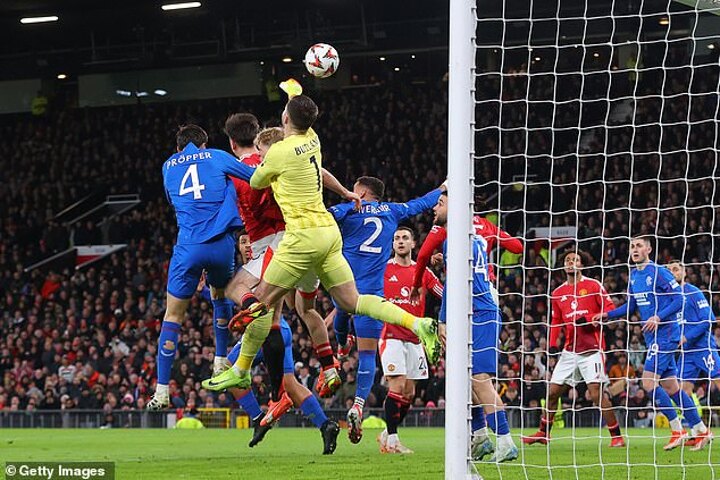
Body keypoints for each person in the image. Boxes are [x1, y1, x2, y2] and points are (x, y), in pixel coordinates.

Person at [201, 94, 439, 396]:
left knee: (258, 298)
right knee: (352, 302)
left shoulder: (278, 154)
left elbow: (257, 181)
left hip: (300, 238)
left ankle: (240, 371)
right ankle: (417, 324)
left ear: (286, 119)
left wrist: (261, 163)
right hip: (328, 233)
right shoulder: (312, 139)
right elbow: (318, 169)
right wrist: (344, 191)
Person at [223, 116, 352, 396]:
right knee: (306, 309)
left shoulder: (237, 171)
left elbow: (240, 207)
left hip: (280, 245)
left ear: (232, 143)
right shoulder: (288, 156)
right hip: (312, 237)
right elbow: (321, 173)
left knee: (260, 308)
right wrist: (344, 192)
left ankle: (272, 392)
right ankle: (329, 367)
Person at [327, 176, 444, 443]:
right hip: (372, 296)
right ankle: (358, 404)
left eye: (354, 190)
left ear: (363, 192)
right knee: (367, 356)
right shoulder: (392, 210)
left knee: (342, 315)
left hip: (345, 285)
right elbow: (421, 203)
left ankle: (342, 347)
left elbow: (324, 218)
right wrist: (444, 187)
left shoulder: (349, 208)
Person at [147, 124, 255, 410]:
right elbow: (255, 178)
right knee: (220, 296)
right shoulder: (217, 156)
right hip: (220, 245)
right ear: (204, 144)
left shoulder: (168, 166)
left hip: (188, 247)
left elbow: (174, 200)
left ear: (179, 147)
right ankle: (220, 361)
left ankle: (161, 391)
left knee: (173, 315)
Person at [218, 231, 340, 454]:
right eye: (242, 242)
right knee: (291, 386)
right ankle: (326, 425)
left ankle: (258, 418)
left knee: (226, 371)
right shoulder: (251, 271)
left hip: (267, 332)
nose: (247, 245)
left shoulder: (265, 265)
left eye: (249, 240)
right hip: (280, 331)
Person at [593, 236, 712, 451]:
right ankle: (702, 430)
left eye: (639, 245)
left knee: (648, 384)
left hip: (666, 335)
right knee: (672, 387)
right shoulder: (634, 275)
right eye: (632, 246)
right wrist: (607, 315)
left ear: (648, 249)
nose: (635, 249)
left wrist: (658, 316)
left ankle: (678, 430)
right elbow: (631, 306)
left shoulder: (658, 271)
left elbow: (678, 299)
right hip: (653, 338)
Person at [433, 191, 518, 463]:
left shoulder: (455, 240)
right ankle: (480, 437)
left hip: (480, 314)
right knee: (466, 381)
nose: (435, 207)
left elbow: (451, 286)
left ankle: (505, 442)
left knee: (480, 381)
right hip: (472, 313)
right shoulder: (470, 238)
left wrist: (443, 320)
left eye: (441, 202)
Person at [522, 250, 625, 447]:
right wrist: (552, 345)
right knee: (552, 393)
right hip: (570, 352)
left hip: (592, 351)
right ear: (563, 266)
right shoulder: (558, 293)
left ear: (582, 265)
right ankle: (544, 433)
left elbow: (610, 310)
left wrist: (591, 320)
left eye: (575, 259)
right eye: (568, 260)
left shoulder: (593, 285)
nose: (571, 262)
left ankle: (616, 436)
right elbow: (555, 321)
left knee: (596, 394)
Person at [376, 226, 443, 453]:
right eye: (397, 239)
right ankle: (393, 441)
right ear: (393, 244)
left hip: (415, 339)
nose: (400, 242)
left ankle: (386, 433)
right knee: (397, 385)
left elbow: (444, 294)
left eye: (405, 238)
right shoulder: (383, 270)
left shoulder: (423, 272)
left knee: (410, 393)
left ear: (414, 244)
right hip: (392, 335)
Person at [667, 259, 720, 447]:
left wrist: (685, 337)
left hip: (703, 347)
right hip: (686, 353)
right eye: (669, 270)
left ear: (684, 273)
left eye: (675, 269)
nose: (672, 272)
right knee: (682, 393)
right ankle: (698, 431)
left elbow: (708, 320)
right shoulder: (669, 298)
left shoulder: (693, 292)